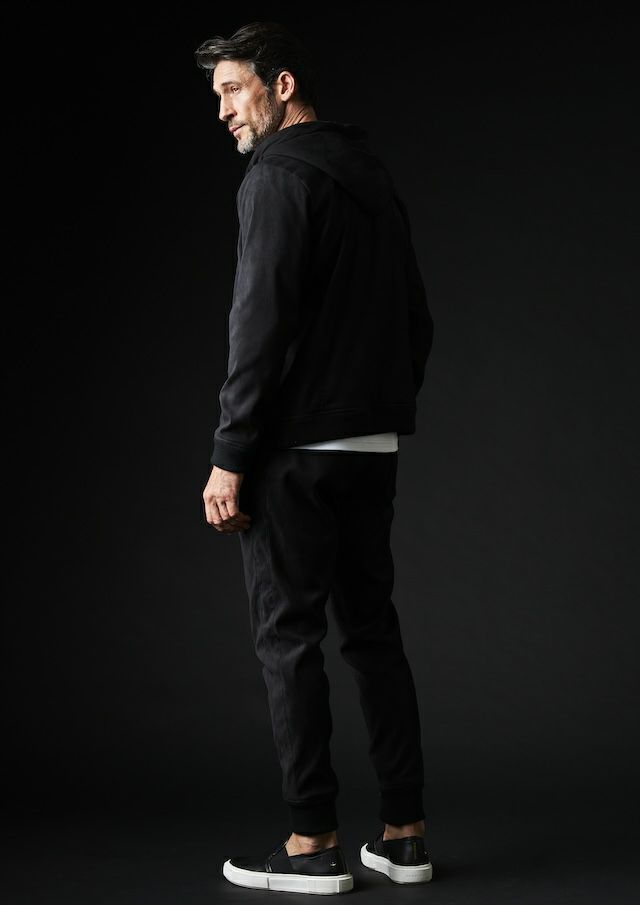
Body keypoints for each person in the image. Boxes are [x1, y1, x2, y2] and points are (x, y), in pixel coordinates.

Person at [196, 20, 435, 895]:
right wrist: (379, 406)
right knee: (372, 632)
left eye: (234, 89)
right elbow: (417, 318)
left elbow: (256, 325)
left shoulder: (276, 176)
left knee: (288, 639)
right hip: (371, 444)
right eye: (218, 95)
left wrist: (231, 453)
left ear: (282, 84)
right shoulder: (370, 174)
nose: (224, 110)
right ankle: (404, 836)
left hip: (294, 450)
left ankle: (311, 845)